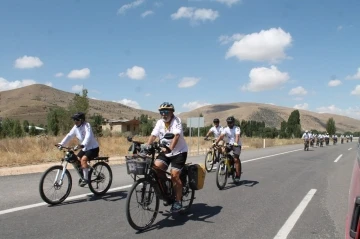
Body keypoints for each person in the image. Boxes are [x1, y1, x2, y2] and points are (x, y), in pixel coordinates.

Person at [145, 102, 188, 212]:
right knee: (156, 169)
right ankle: (166, 190)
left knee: (174, 176)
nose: (163, 114)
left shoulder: (177, 121)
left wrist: (170, 148)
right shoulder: (160, 122)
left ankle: (178, 202)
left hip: (179, 152)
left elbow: (176, 136)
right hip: (165, 151)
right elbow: (153, 135)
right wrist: (146, 147)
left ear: (172, 112)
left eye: (166, 112)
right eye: (161, 112)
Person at [57, 112, 100, 187]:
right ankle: (85, 171)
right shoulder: (75, 127)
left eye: (77, 120)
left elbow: (88, 136)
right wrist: (62, 144)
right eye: (74, 120)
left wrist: (82, 144)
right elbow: (69, 135)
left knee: (83, 159)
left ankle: (86, 179)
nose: (75, 121)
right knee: (77, 160)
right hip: (85, 148)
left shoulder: (87, 125)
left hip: (93, 148)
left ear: (82, 120)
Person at [215, 116, 242, 182]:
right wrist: (216, 143)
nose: (229, 124)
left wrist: (235, 142)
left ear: (233, 122)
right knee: (224, 153)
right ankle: (226, 166)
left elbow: (237, 136)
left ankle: (238, 175)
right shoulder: (225, 129)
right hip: (229, 144)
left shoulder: (237, 128)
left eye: (231, 123)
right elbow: (221, 136)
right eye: (228, 123)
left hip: (236, 145)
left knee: (236, 159)